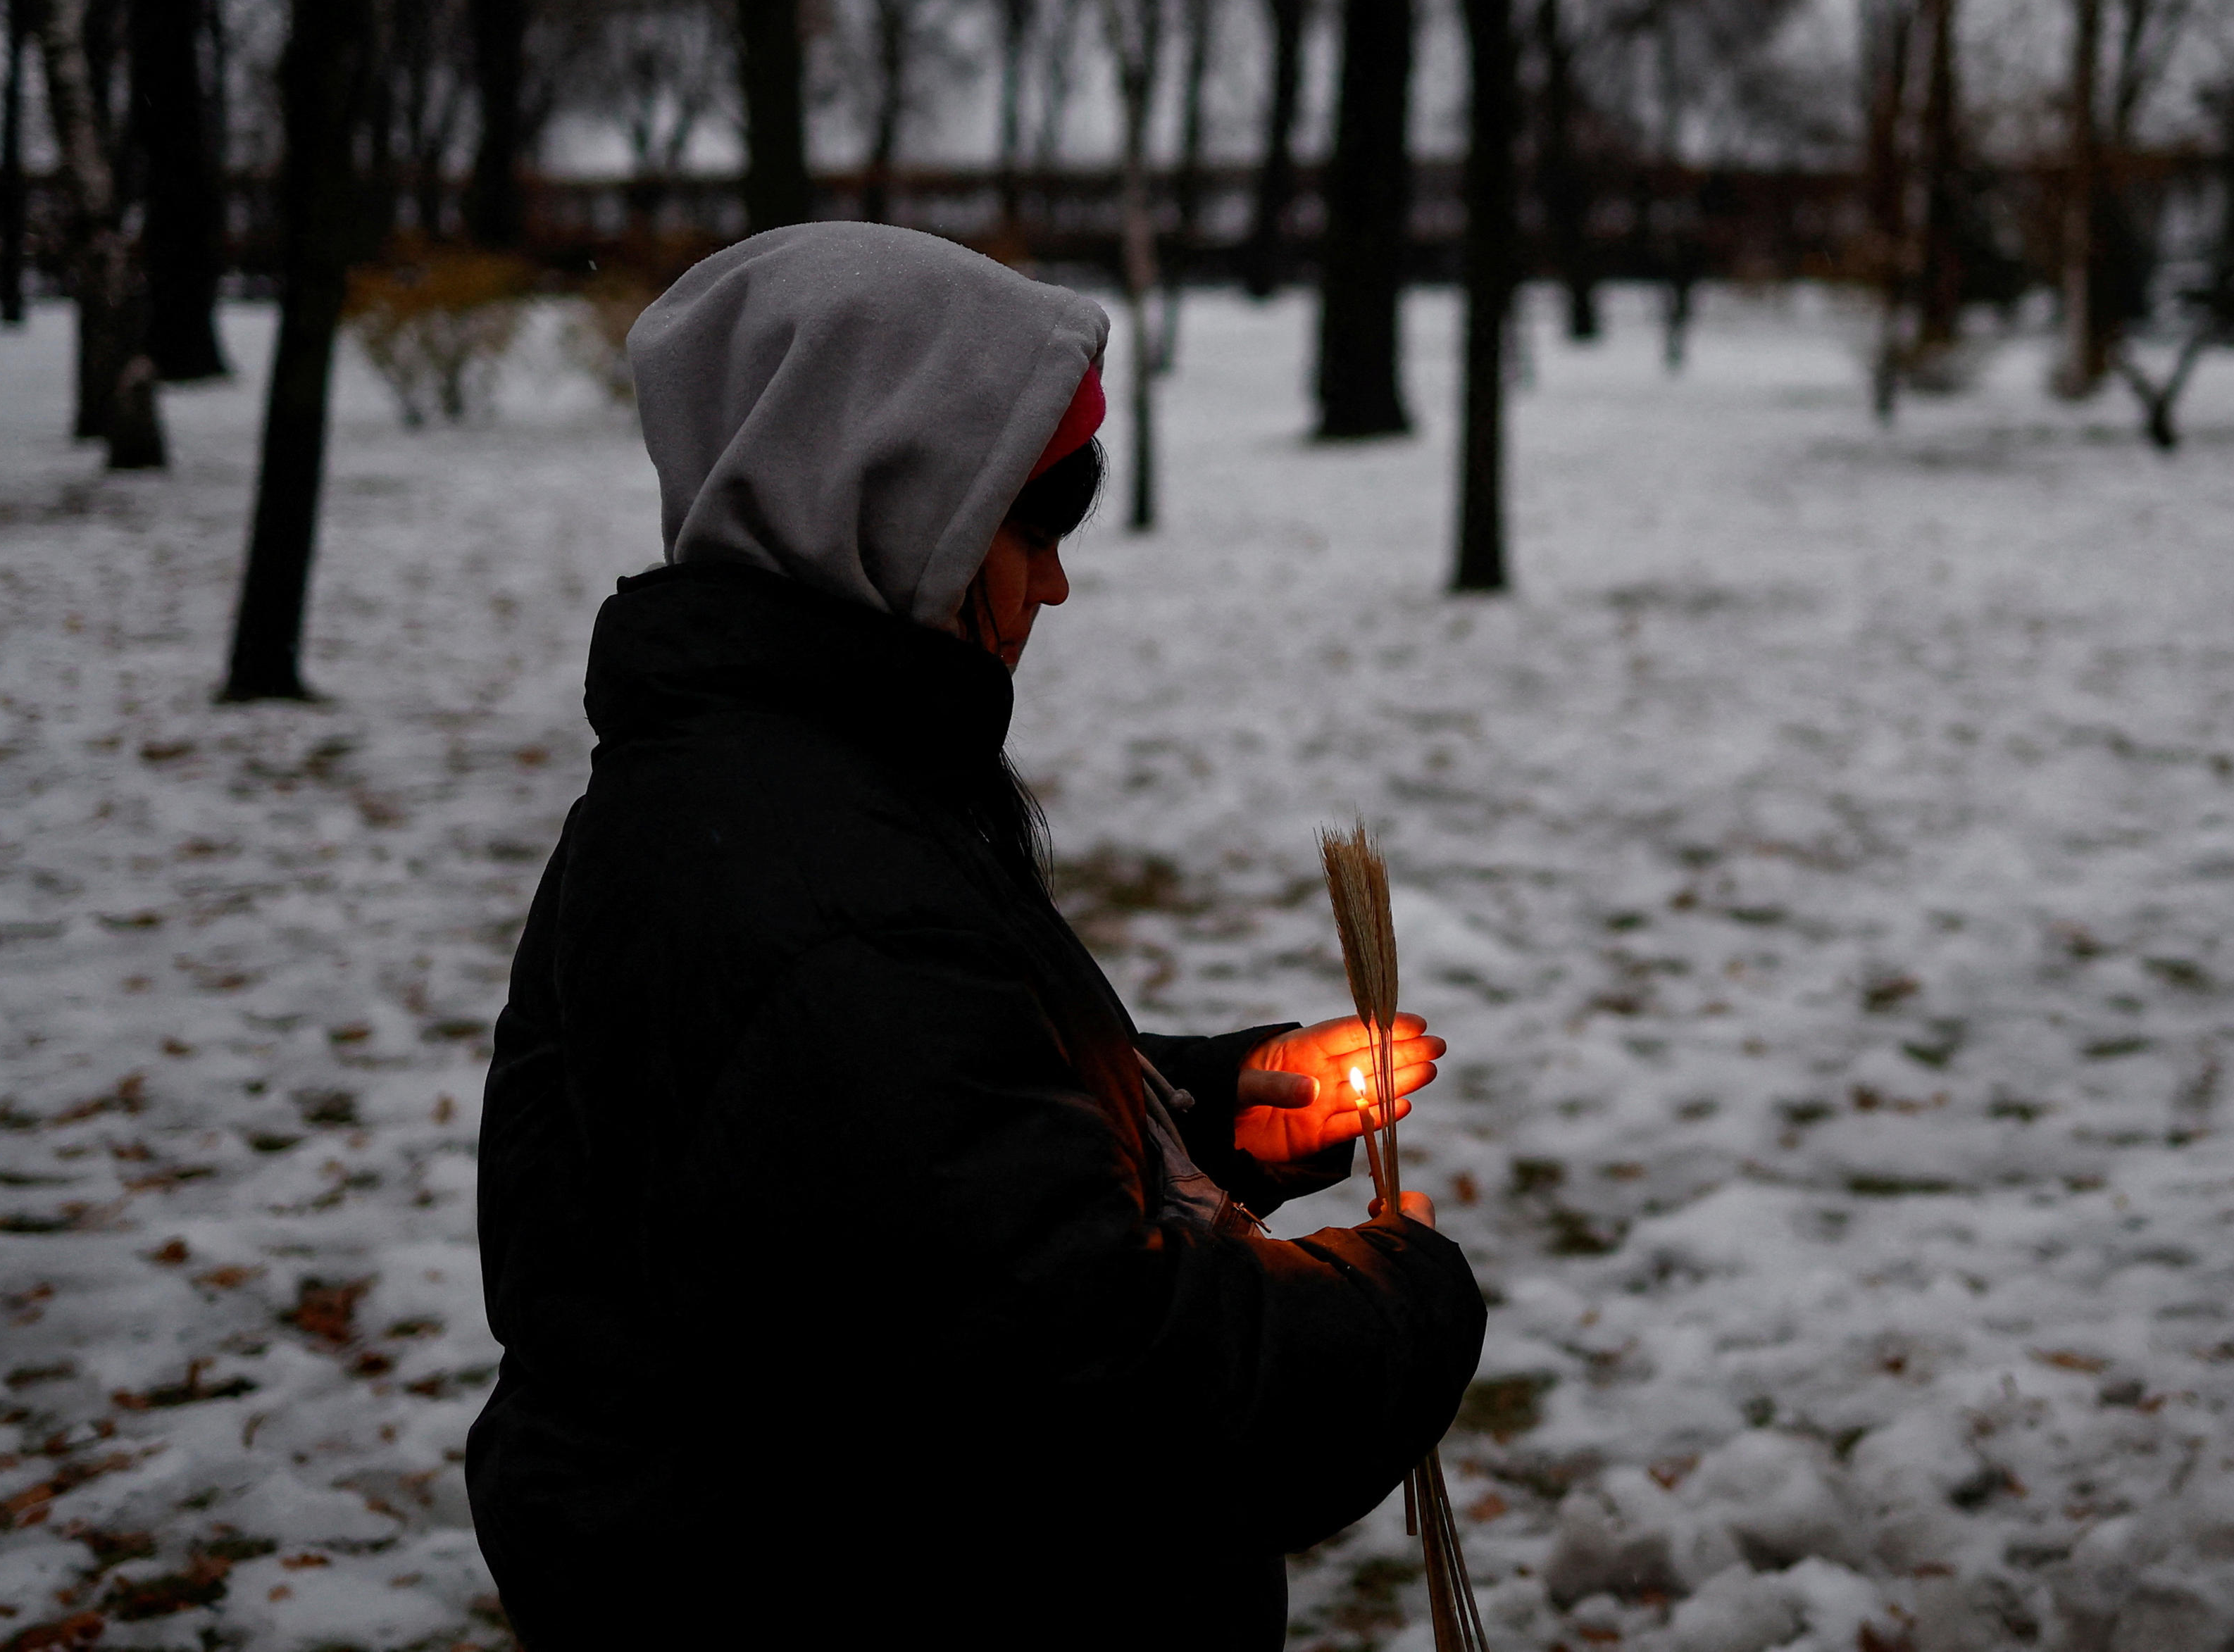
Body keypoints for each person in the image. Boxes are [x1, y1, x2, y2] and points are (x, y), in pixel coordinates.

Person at [467, 224, 1483, 1648]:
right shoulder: (809, 881)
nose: (1054, 583)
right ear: (889, 495)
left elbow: (896, 1173)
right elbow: (1096, 1377)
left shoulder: (783, 786)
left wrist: (1204, 1115)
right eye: (1033, 521)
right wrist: (1401, 1304)